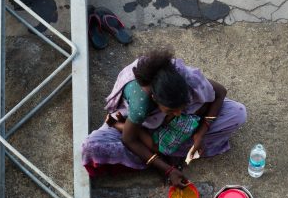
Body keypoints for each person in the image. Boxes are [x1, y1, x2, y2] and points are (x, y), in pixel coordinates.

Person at [81, 49, 247, 186]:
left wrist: (201, 131)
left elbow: (220, 92)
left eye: (181, 108)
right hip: (135, 122)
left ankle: (165, 150)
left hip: (171, 124)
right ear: (155, 98)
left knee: (238, 113)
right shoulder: (141, 105)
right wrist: (167, 170)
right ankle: (164, 154)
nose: (177, 114)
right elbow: (129, 139)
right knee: (93, 147)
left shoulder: (187, 79)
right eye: (171, 110)